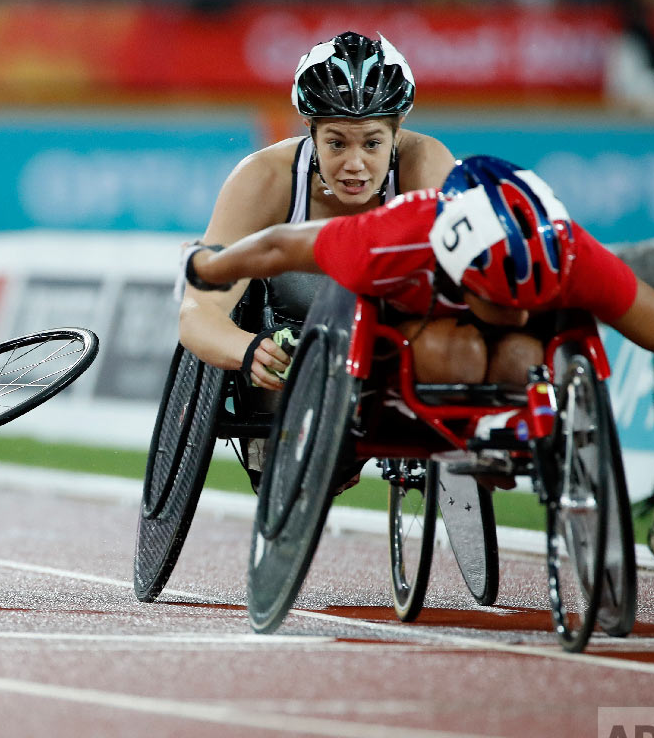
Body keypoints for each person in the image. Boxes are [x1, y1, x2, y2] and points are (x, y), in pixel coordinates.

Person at [181, 155, 654, 567]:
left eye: (530, 300)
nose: (517, 311)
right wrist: (213, 264)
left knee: (524, 351)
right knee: (455, 355)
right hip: (423, 337)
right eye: (500, 301)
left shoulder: (572, 254)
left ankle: (501, 434)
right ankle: (465, 435)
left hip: (521, 355)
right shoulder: (399, 236)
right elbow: (280, 247)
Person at [177, 30, 456, 487]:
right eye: (336, 143)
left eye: (371, 143)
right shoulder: (263, 178)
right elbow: (197, 312)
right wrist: (245, 351)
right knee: (297, 480)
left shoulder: (426, 163)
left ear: (397, 132)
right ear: (309, 130)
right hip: (293, 340)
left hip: (390, 334)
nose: (354, 164)